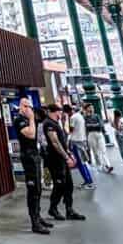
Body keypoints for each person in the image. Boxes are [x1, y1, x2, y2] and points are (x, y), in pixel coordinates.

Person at [12, 98, 52, 234]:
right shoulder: (19, 120)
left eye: (31, 107)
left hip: (35, 155)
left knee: (38, 188)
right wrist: (31, 119)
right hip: (28, 156)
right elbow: (31, 134)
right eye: (27, 106)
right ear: (22, 107)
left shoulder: (30, 119)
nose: (30, 109)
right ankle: (34, 222)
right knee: (33, 190)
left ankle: (38, 216)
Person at [42, 104, 86, 221]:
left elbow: (62, 141)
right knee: (59, 185)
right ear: (53, 112)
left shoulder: (56, 123)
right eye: (59, 111)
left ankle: (69, 210)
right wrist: (67, 158)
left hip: (62, 159)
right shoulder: (48, 124)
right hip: (55, 160)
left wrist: (70, 155)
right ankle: (53, 208)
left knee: (69, 185)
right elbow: (55, 143)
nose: (61, 114)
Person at [64, 105, 95, 188]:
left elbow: (70, 130)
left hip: (76, 142)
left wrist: (66, 124)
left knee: (80, 163)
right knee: (83, 162)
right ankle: (88, 180)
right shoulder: (79, 116)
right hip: (81, 141)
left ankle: (88, 182)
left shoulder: (73, 118)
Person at [83, 103, 113, 174]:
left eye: (92, 107)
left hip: (99, 133)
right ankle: (99, 165)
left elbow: (100, 124)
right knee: (95, 151)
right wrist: (95, 125)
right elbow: (86, 126)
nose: (92, 109)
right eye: (90, 107)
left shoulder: (97, 115)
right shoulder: (85, 117)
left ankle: (108, 165)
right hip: (91, 134)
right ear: (86, 109)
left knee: (103, 150)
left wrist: (94, 125)